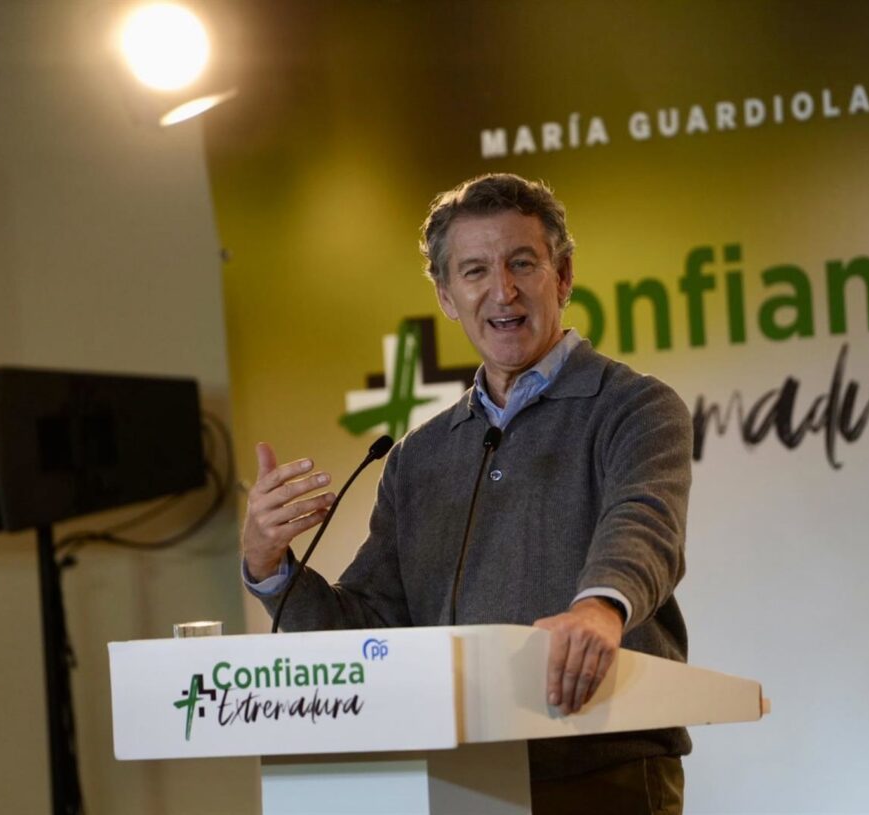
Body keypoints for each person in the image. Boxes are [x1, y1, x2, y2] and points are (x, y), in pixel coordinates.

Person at [241, 173, 693, 814]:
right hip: (456, 782)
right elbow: (370, 626)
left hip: (603, 770)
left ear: (562, 277)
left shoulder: (634, 408)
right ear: (448, 296)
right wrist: (268, 564)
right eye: (475, 270)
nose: (502, 290)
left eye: (522, 264)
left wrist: (600, 607)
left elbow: (644, 522)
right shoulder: (417, 458)